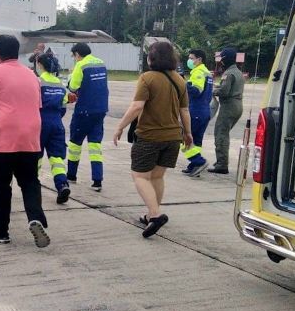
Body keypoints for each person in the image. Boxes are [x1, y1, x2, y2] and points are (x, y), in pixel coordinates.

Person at [112, 40, 193, 238]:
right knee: (157, 176)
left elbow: (137, 106)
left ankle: (155, 215)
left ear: (151, 58)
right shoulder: (180, 80)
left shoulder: (147, 78)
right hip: (173, 137)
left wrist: (120, 126)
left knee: (140, 176)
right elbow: (185, 111)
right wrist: (188, 133)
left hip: (149, 136)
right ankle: (150, 214)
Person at [0, 35, 49, 247]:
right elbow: (35, 106)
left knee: (3, 186)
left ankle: (1, 232)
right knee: (30, 182)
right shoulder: (32, 75)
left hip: (6, 136)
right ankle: (35, 218)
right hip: (31, 136)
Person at [66, 42, 109, 192]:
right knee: (95, 146)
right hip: (100, 110)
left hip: (84, 110)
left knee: (75, 144)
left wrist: (71, 77)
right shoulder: (101, 63)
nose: (74, 58)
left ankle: (71, 175)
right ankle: (97, 181)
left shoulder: (81, 65)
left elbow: (72, 88)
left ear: (78, 54)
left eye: (74, 56)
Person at [36, 53, 71, 204]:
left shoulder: (37, 82)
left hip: (39, 122)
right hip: (57, 123)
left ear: (40, 65)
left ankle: (34, 188)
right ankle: (62, 184)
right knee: (56, 158)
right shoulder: (60, 84)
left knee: (36, 156)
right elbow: (63, 108)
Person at [209, 47, 245, 174]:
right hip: (237, 105)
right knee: (224, 133)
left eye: (222, 60)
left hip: (229, 107)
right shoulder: (238, 72)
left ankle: (222, 164)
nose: (221, 62)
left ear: (226, 60)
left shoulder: (228, 73)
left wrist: (212, 91)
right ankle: (221, 161)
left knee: (221, 134)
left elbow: (224, 92)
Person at [182, 49, 213, 176]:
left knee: (185, 138)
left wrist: (183, 84)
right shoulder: (207, 73)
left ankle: (198, 161)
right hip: (205, 110)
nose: (190, 61)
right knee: (197, 140)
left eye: (192, 58)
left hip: (196, 110)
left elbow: (196, 91)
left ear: (199, 59)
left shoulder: (198, 72)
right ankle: (194, 166)